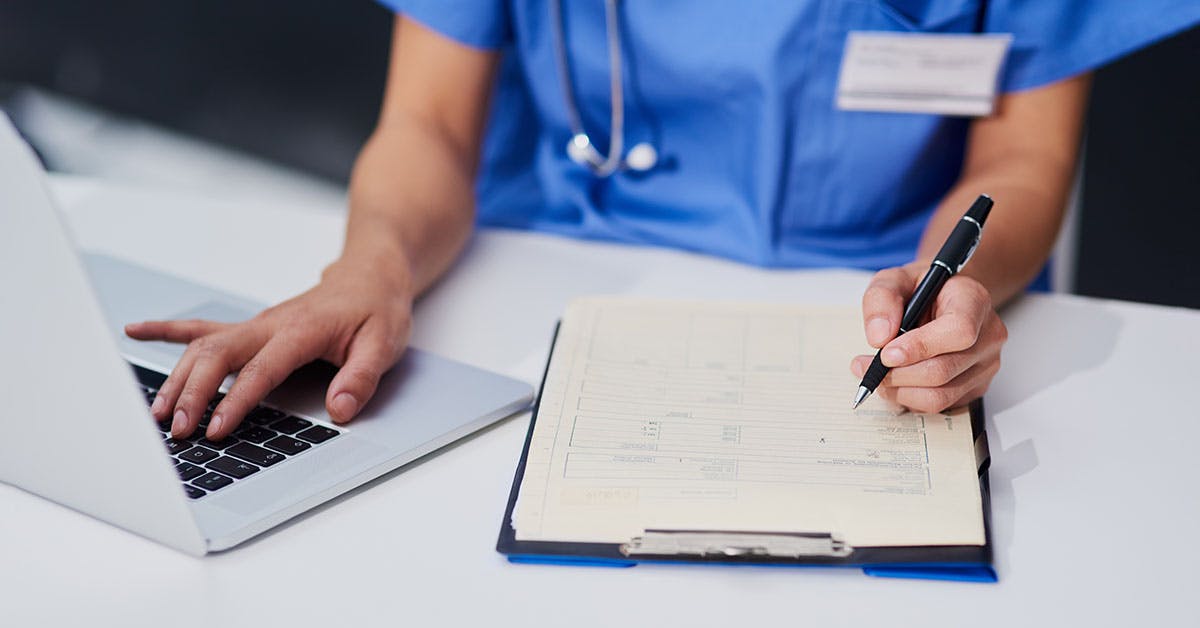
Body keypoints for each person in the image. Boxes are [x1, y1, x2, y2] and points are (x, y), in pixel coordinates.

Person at [128, 1, 1200, 441]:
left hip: (872, 300)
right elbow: (427, 127)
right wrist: (369, 266)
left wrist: (946, 288)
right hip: (544, 283)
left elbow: (1022, 157)